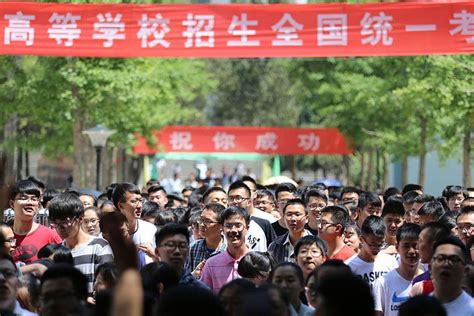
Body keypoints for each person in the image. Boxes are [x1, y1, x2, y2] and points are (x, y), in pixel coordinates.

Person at [48, 193, 113, 296]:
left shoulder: (100, 247)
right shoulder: (57, 251)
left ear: (80, 218)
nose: (61, 227)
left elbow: (107, 286)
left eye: (65, 220)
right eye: (55, 222)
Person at [373, 223, 422, 316]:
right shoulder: (382, 283)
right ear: (397, 247)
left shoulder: (429, 281)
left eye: (416, 246)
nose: (411, 251)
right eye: (406, 246)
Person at [200, 206, 250, 294]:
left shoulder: (257, 262)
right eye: (228, 226)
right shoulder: (211, 264)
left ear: (247, 228)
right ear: (222, 229)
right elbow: (205, 299)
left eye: (238, 225)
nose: (233, 230)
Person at [10, 180, 61, 264]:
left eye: (34, 199)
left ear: (38, 204)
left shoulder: (50, 236)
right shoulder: (4, 236)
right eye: (23, 198)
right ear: (12, 204)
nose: (30, 202)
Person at [346, 216, 398, 290]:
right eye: (372, 244)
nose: (376, 248)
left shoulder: (390, 262)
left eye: (381, 244)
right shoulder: (350, 267)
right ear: (361, 239)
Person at [113, 183, 157, 263]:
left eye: (140, 200)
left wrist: (153, 253)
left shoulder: (150, 229)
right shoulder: (108, 234)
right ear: (120, 206)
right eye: (133, 201)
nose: (139, 206)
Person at [155, 223, 207, 289]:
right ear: (157, 251)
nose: (177, 251)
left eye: (182, 246)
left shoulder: (200, 290)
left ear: (188, 251)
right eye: (171, 245)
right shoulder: (145, 284)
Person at [430, 236, 474, 315]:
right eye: (440, 259)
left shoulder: (471, 310)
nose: (446, 264)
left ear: (465, 270)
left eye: (453, 260)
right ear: (430, 268)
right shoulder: (417, 309)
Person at [227, 181, 275, 251]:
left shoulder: (263, 224)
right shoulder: (222, 225)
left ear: (249, 202)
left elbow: (273, 251)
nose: (234, 201)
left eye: (238, 198)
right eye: (231, 198)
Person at [410, 222, 451, 295]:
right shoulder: (420, 282)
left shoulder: (459, 279)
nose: (416, 247)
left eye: (420, 241)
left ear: (434, 245)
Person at [185, 203, 226, 274]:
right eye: (201, 219)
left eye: (207, 221)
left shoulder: (228, 250)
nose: (201, 224)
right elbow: (184, 280)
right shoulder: (193, 248)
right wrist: (194, 275)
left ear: (221, 226)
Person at [268, 199, 311, 264]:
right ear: (283, 217)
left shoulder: (316, 244)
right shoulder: (275, 246)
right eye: (289, 214)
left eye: (297, 214)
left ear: (307, 218)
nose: (293, 218)